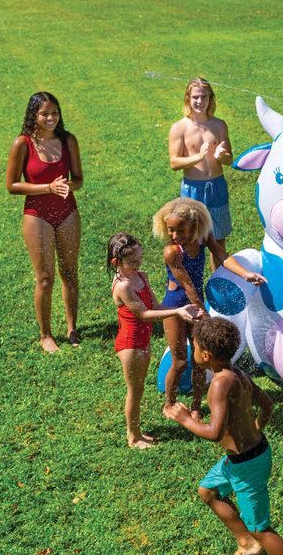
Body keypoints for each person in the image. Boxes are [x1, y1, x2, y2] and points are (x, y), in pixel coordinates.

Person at [164, 317, 283, 555]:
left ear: (206, 355)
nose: (194, 350)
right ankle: (247, 543)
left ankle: (254, 539)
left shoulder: (220, 384)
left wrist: (185, 420)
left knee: (261, 529)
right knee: (208, 492)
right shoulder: (239, 374)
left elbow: (214, 433)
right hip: (243, 458)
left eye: (195, 346)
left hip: (247, 465)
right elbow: (268, 405)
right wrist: (254, 430)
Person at [153, 197, 266, 420]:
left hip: (196, 305)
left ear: (194, 226)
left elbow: (223, 257)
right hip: (176, 307)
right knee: (179, 362)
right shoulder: (172, 252)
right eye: (171, 231)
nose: (175, 236)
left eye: (180, 230)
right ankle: (170, 403)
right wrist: (201, 312)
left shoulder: (203, 238)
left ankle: (196, 405)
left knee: (199, 361)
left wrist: (245, 274)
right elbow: (187, 286)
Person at [108, 232, 204, 449]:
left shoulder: (141, 276)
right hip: (129, 344)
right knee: (135, 390)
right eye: (131, 261)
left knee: (139, 388)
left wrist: (180, 310)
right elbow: (143, 314)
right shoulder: (122, 286)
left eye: (139, 258)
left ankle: (138, 432)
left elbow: (156, 306)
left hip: (143, 340)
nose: (137, 264)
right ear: (116, 262)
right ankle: (133, 436)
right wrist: (177, 312)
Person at [6, 92, 83, 353]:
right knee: (45, 278)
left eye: (55, 113)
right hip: (37, 215)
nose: (51, 118)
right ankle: (45, 335)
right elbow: (12, 185)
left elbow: (79, 179)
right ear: (33, 116)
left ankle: (72, 328)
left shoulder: (68, 140)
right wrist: (47, 188)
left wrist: (66, 186)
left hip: (67, 212)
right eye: (44, 114)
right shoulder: (23, 143)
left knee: (70, 273)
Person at [169, 77, 233, 271]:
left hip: (217, 187)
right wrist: (198, 157)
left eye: (204, 97)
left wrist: (222, 156)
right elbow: (174, 162)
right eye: (195, 97)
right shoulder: (180, 127)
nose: (200, 101)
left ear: (210, 98)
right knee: (191, 244)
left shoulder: (219, 125)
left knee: (218, 242)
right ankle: (193, 289)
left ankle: (218, 287)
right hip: (192, 192)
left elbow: (230, 159)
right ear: (188, 98)